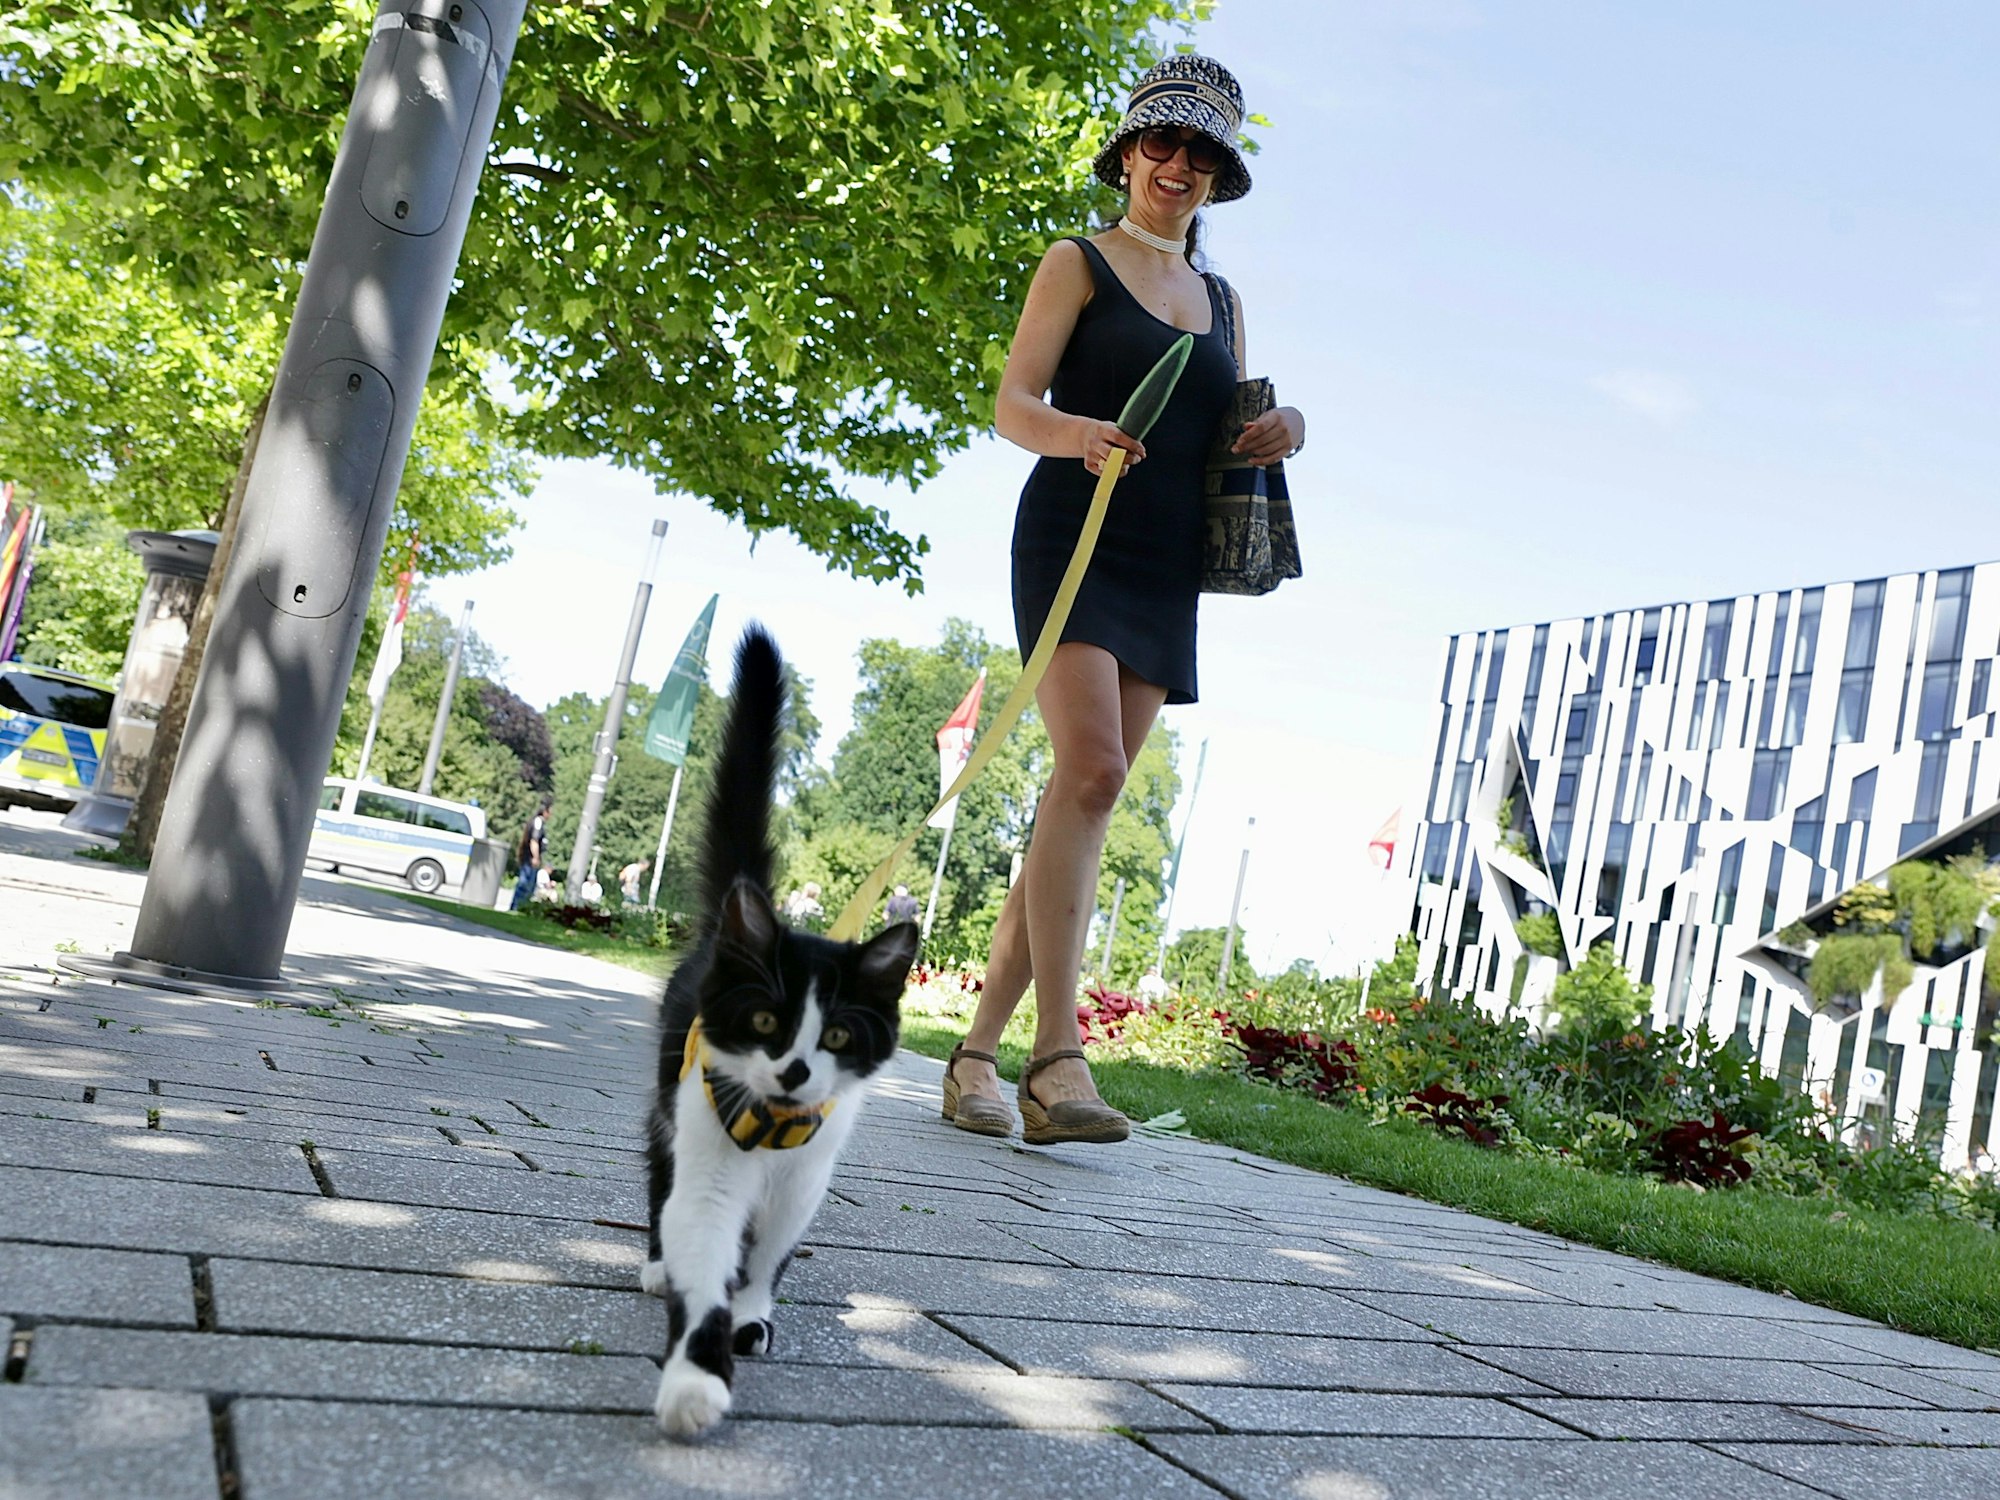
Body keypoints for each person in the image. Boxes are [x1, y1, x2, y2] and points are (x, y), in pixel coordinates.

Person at [940, 56, 1304, 1147]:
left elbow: (1221, 418)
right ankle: (1058, 1058)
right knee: (1093, 771)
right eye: (1160, 144)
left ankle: (970, 1058)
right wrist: (1077, 433)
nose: (1176, 167)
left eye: (1200, 153)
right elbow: (1012, 403)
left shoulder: (1223, 300)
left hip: (1161, 558)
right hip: (1071, 532)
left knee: (1081, 797)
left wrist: (1283, 429)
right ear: (1126, 151)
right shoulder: (1076, 260)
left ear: (1217, 174)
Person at [511, 801, 552, 911]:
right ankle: (517, 907)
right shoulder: (538, 822)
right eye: (550, 811)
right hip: (529, 858)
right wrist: (535, 857)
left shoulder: (537, 822)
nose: (551, 815)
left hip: (528, 857)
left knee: (527, 884)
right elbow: (534, 840)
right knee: (525, 884)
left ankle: (519, 907)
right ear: (545, 811)